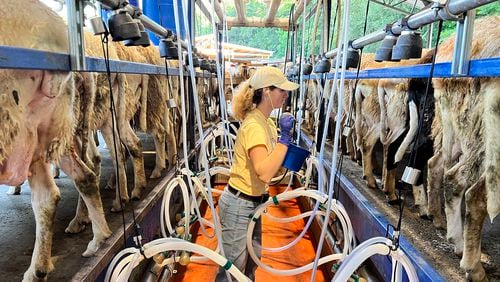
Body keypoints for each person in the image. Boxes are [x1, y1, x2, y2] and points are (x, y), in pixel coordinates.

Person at [215, 66, 299, 281]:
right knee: (232, 269)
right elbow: (263, 172)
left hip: (254, 202)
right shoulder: (254, 125)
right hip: (239, 204)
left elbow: (272, 166)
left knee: (251, 261)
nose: (286, 95)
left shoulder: (268, 123)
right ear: (267, 91)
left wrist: (288, 157)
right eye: (281, 90)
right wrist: (284, 142)